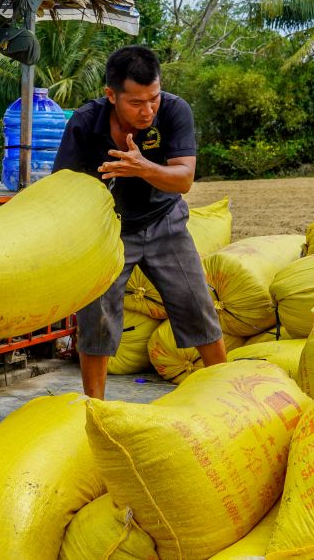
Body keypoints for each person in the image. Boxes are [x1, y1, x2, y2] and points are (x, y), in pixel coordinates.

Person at [52, 45, 226, 399]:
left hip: (165, 222)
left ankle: (226, 391)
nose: (147, 110)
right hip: (108, 232)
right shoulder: (85, 123)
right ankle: (94, 407)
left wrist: (142, 167)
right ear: (111, 95)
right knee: (96, 318)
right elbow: (64, 187)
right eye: (136, 103)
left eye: (153, 99)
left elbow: (184, 179)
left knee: (197, 305)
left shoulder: (175, 110)